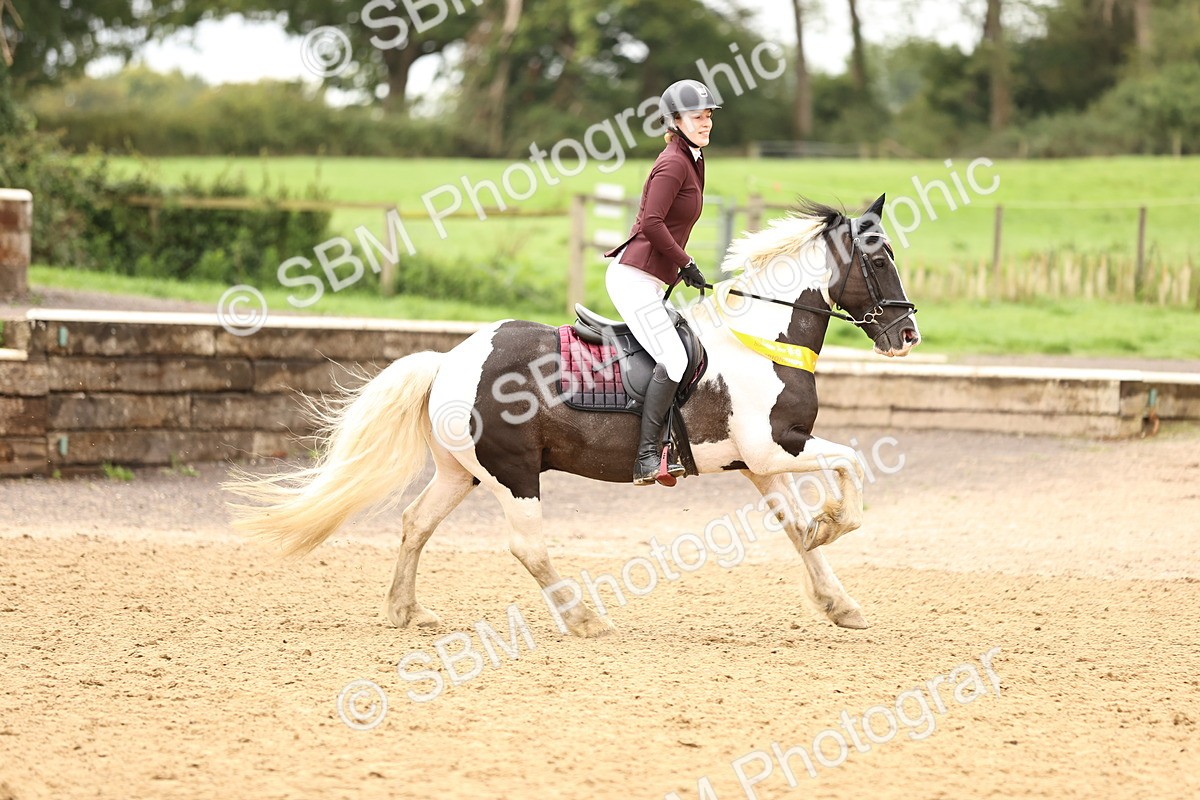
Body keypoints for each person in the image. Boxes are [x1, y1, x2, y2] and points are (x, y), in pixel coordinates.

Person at [603, 79, 717, 486]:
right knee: (675, 358)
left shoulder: (693, 158)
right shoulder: (673, 163)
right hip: (633, 279)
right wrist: (686, 262)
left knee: (690, 348)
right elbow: (652, 223)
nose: (705, 123)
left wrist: (680, 265)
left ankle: (672, 442)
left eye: (708, 115)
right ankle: (646, 457)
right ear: (675, 121)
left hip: (650, 280)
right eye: (696, 116)